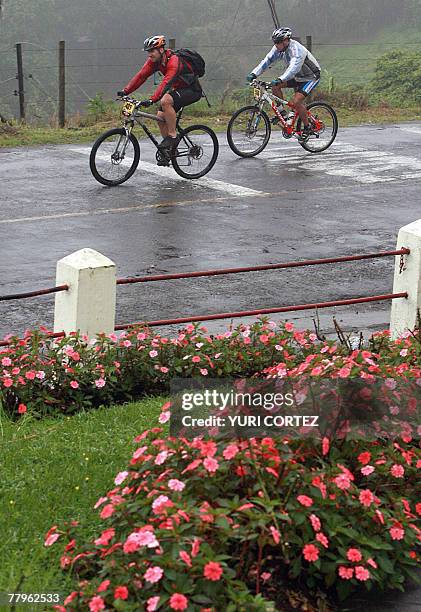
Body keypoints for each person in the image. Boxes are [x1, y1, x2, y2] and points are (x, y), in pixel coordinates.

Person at [117, 35, 202, 151]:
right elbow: (141, 76)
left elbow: (166, 82)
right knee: (160, 117)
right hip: (178, 90)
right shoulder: (154, 61)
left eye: (152, 51)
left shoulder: (174, 61)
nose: (149, 54)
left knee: (165, 100)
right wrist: (125, 91)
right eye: (148, 52)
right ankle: (169, 150)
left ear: (161, 50)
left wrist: (152, 99)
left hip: (192, 90)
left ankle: (172, 136)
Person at [247, 27, 321, 141]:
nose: (276, 45)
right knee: (275, 87)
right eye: (274, 42)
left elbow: (293, 69)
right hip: (297, 77)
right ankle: (283, 114)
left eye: (278, 42)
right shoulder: (279, 48)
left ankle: (307, 127)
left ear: (286, 40)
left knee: (296, 102)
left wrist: (280, 79)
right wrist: (254, 73)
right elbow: (267, 60)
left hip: (311, 77)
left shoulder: (296, 50)